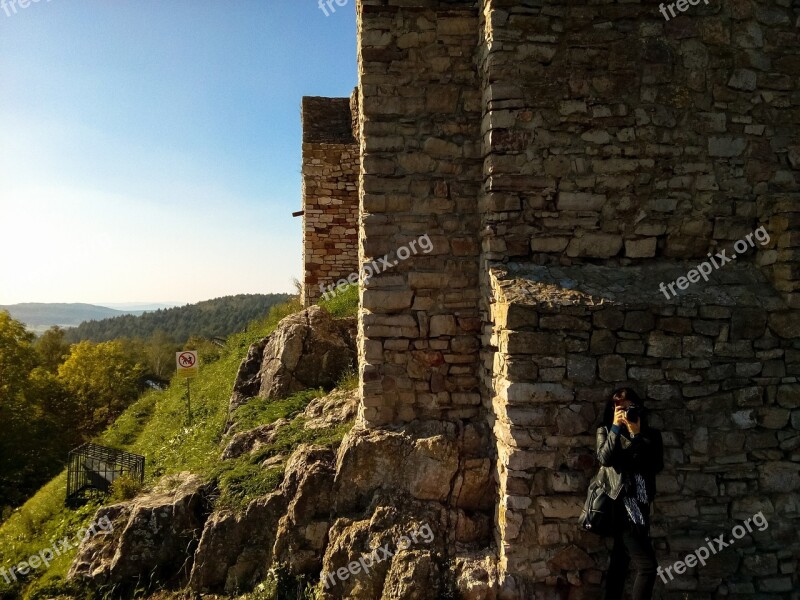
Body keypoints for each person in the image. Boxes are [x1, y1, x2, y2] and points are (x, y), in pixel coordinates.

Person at [596, 387, 664, 600]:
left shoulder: (650, 435)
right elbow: (605, 459)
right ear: (613, 410)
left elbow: (655, 464)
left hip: (642, 508)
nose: (625, 413)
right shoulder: (606, 431)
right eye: (620, 409)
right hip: (620, 508)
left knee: (620, 563)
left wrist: (636, 434)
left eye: (629, 408)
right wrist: (616, 428)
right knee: (648, 567)